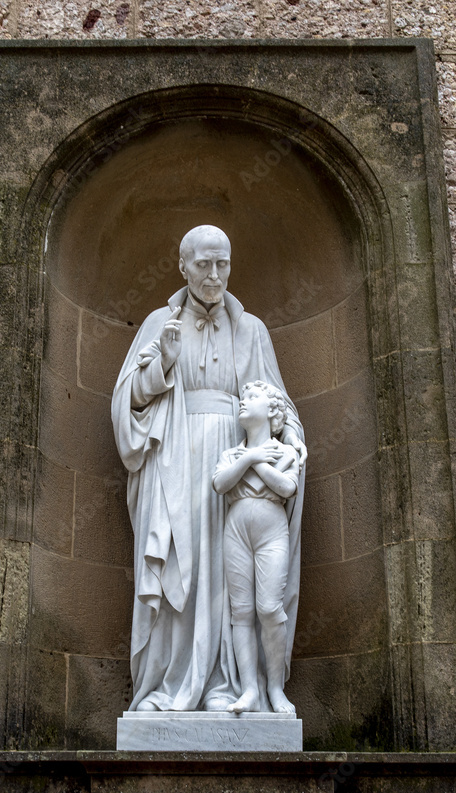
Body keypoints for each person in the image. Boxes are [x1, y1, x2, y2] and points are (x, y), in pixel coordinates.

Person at [111, 224, 306, 712]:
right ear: (183, 267)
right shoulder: (160, 321)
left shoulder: (251, 329)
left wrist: (291, 446)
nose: (214, 274)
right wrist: (161, 367)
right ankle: (167, 685)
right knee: (181, 562)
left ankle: (228, 684)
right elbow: (124, 404)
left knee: (228, 574)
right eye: (203, 264)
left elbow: (278, 405)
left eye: (223, 263)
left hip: (232, 464)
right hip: (173, 454)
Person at [213, 381, 300, 714]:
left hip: (271, 530)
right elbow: (220, 483)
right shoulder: (232, 454)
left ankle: (275, 689)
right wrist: (249, 456)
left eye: (252, 397)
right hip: (236, 530)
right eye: (242, 397)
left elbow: (287, 486)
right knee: (242, 612)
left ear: (272, 410)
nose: (243, 402)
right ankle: (249, 689)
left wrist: (257, 462)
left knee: (268, 607)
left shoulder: (285, 452)